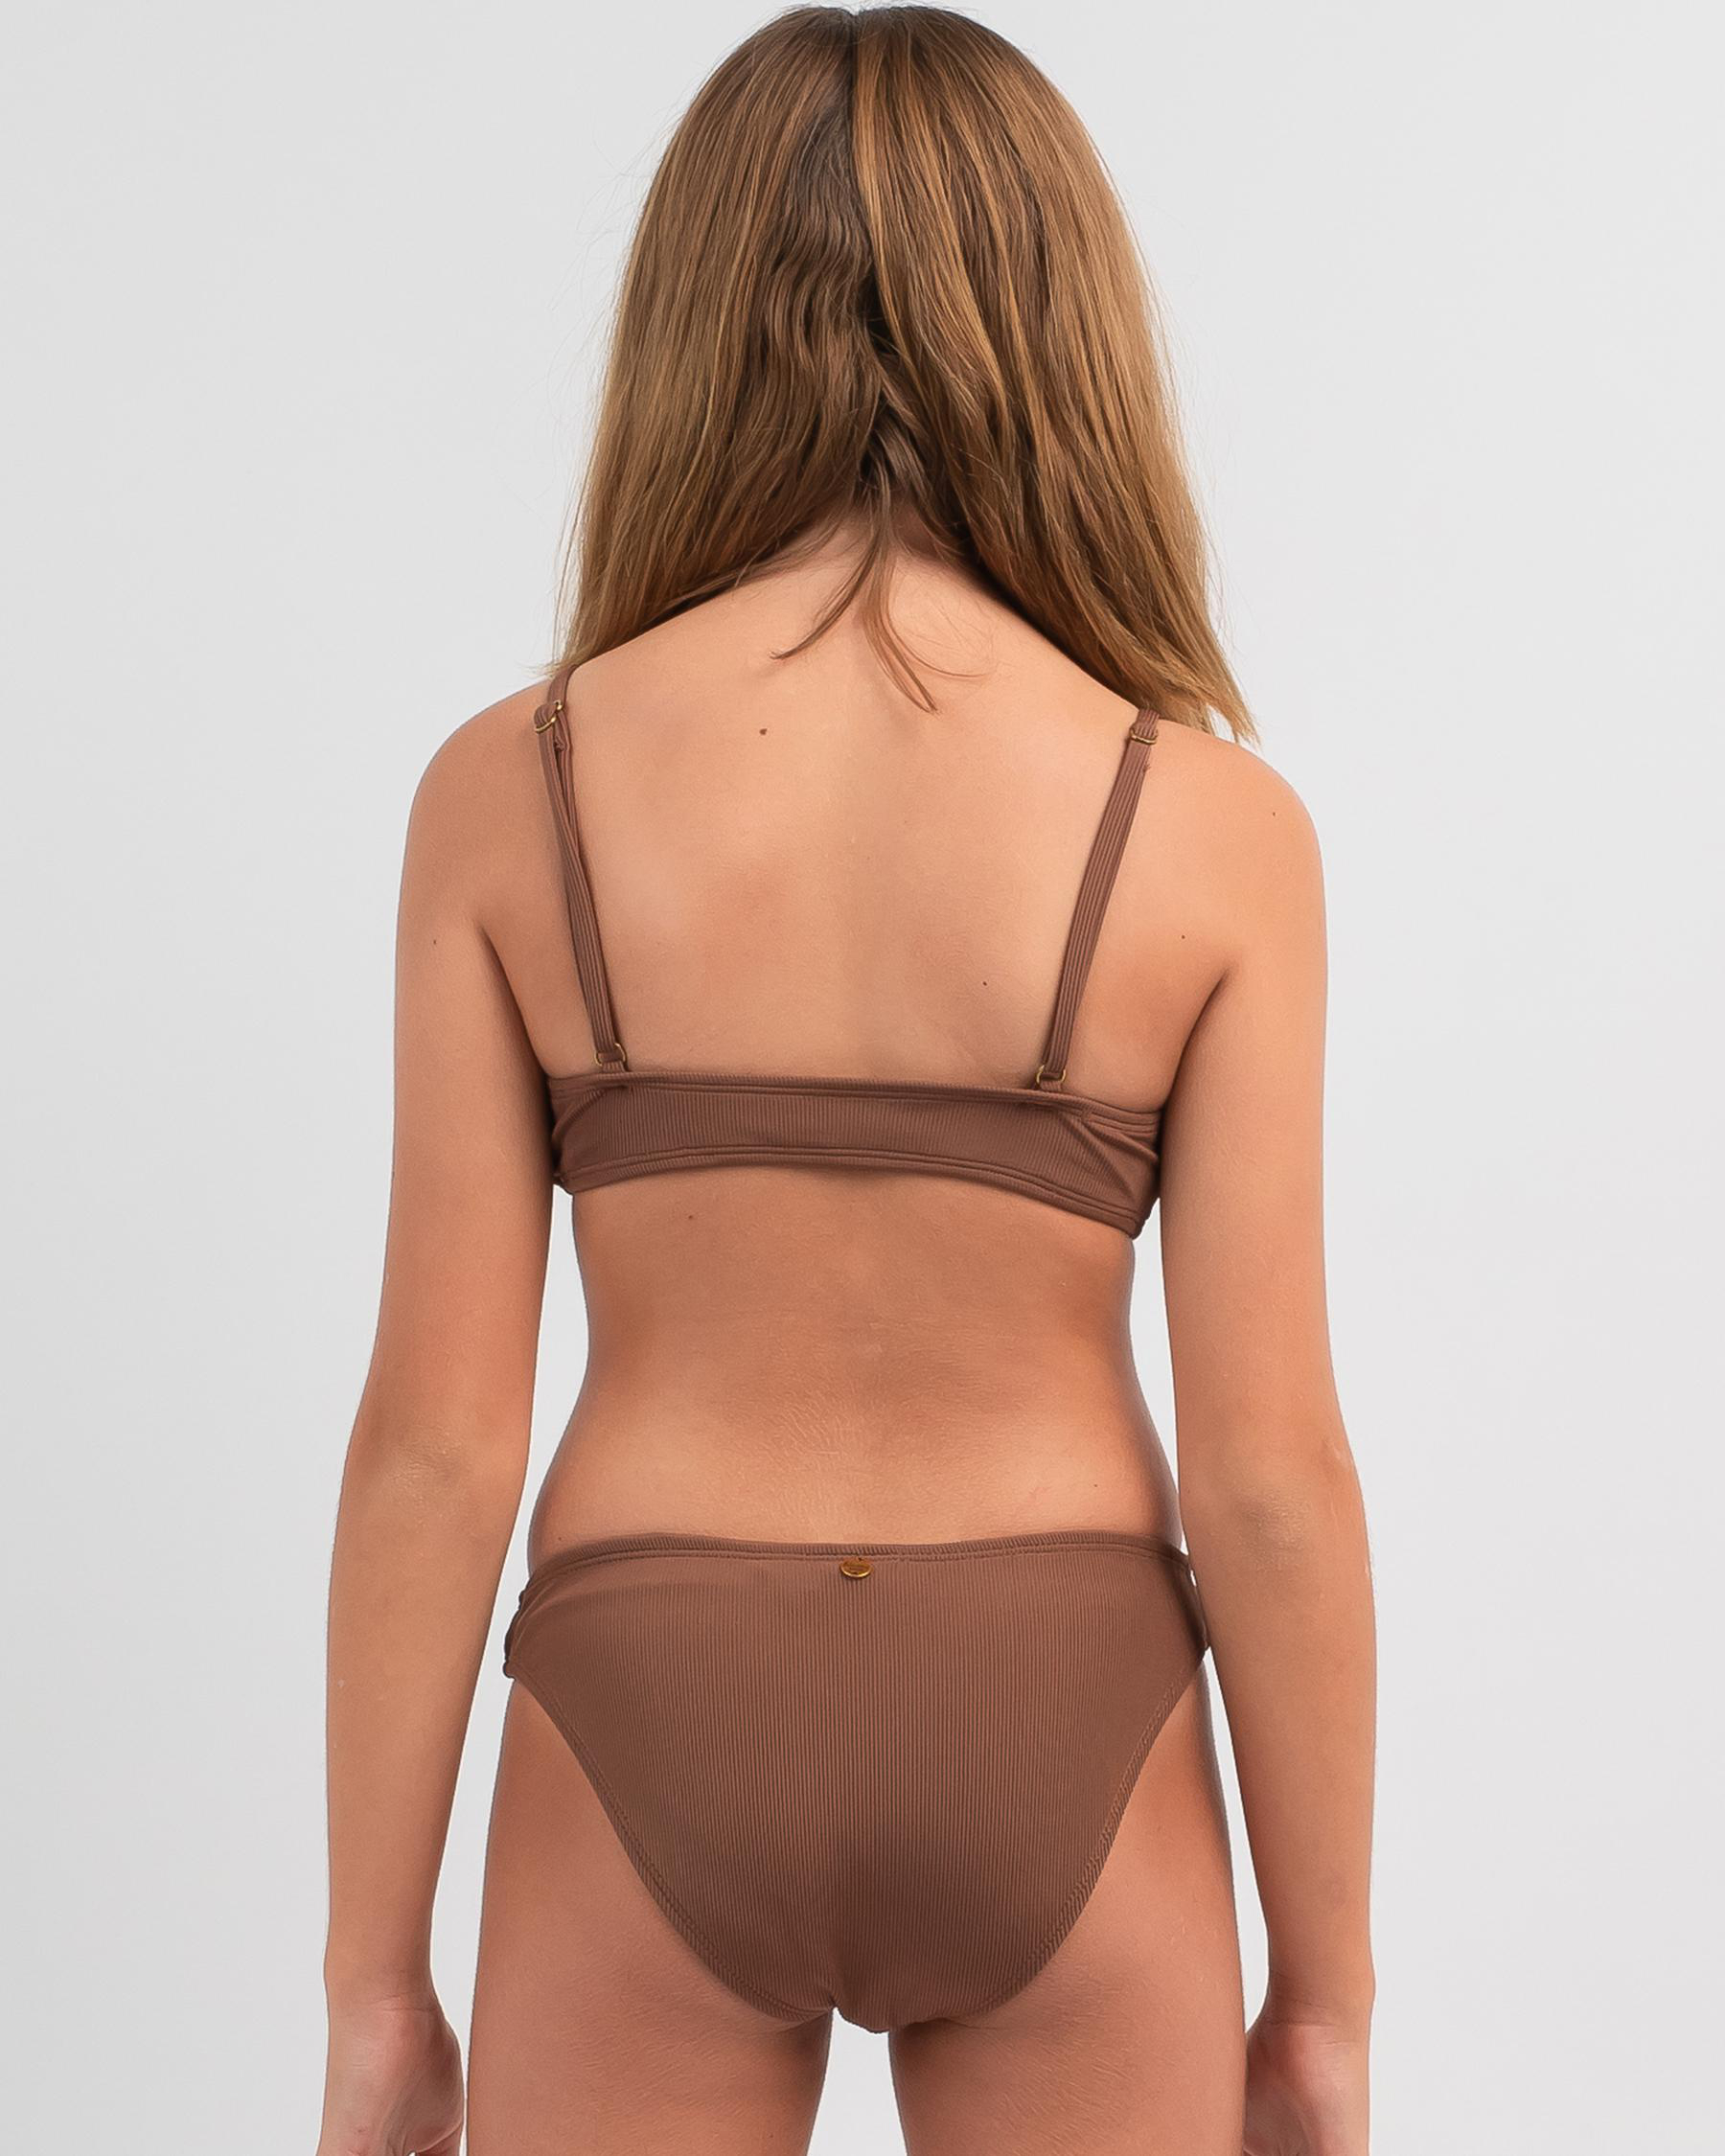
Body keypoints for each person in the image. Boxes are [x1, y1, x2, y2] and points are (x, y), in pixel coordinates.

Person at [314, 9, 1376, 2152]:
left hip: (651, 1686)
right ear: (1062, 336)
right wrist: (1325, 2009)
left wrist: (374, 1994)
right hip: (1061, 1694)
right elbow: (1268, 1477)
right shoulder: (1205, 825)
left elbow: (438, 1441)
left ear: (692, 329)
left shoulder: (510, 794)